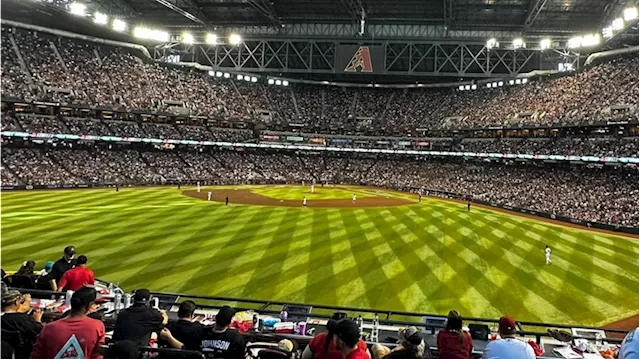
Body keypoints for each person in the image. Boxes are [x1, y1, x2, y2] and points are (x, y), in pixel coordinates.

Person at [30, 286, 106, 359]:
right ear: (90, 305)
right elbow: (97, 356)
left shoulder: (49, 328)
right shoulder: (97, 326)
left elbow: (36, 356)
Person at [0, 283, 43, 359]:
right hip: (24, 353)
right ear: (16, 302)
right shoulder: (22, 319)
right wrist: (37, 320)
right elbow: (40, 331)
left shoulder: (5, 318)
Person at [303, 313, 370, 359]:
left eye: (335, 334)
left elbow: (305, 356)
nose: (333, 337)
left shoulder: (320, 339)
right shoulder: (362, 352)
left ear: (341, 341)